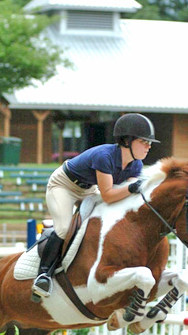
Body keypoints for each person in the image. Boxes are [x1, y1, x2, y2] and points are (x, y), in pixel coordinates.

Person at [31, 113, 160, 300]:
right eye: (144, 141)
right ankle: (43, 275)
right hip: (64, 186)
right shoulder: (105, 156)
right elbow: (108, 195)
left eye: (149, 143)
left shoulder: (136, 165)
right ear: (127, 140)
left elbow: (125, 196)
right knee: (64, 228)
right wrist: (132, 188)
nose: (149, 146)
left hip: (89, 189)